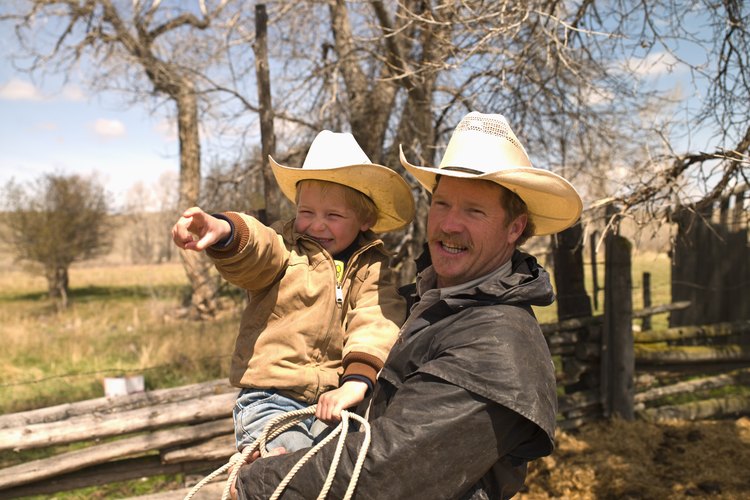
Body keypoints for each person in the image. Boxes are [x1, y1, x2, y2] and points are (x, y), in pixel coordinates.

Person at [231, 111, 583, 499]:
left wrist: (257, 482)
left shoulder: (498, 345)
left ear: (514, 228)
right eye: (443, 203)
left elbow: (381, 474)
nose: (449, 224)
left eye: (474, 211)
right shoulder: (435, 303)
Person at [172, 130, 415, 453]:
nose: (316, 225)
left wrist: (357, 380)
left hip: (334, 400)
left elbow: (376, 318)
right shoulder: (287, 250)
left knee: (339, 465)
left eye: (333, 215)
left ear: (365, 219)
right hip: (271, 398)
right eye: (306, 213)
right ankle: (264, 468)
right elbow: (259, 248)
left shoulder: (372, 268)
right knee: (293, 462)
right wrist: (224, 231)